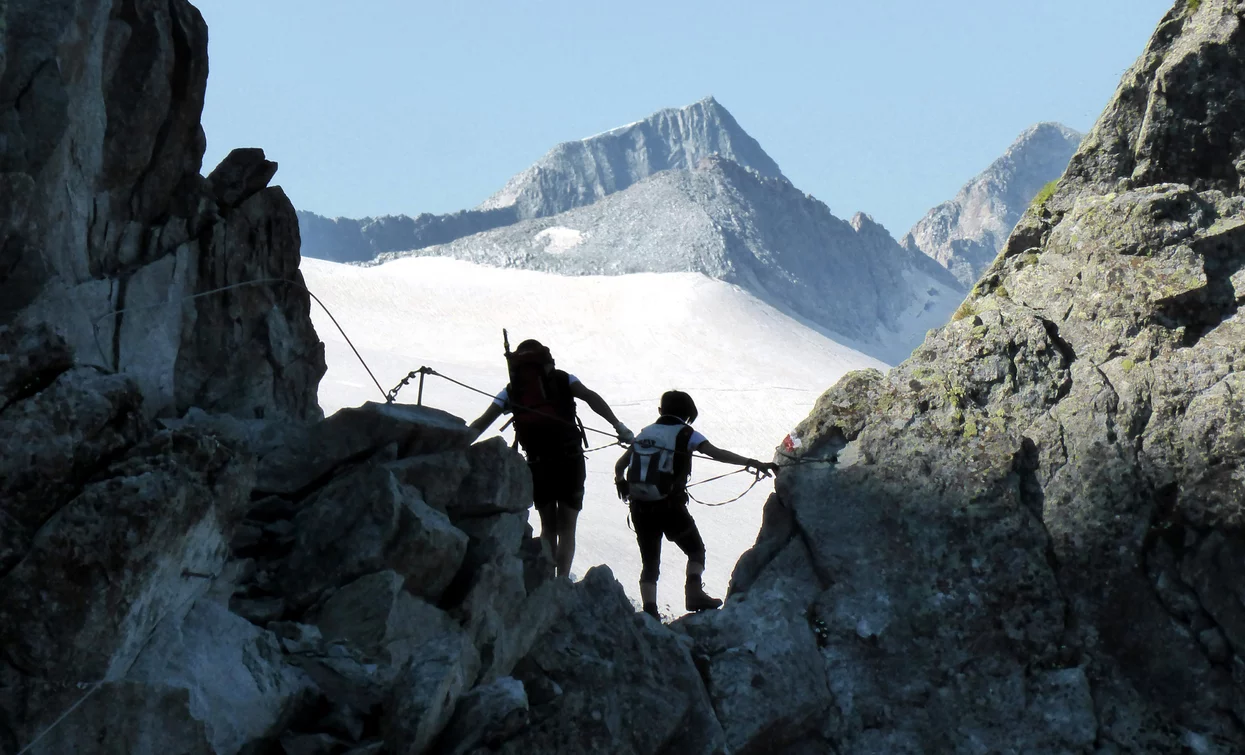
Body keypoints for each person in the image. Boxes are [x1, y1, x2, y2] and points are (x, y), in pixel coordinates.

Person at [467, 338, 633, 578]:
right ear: (547, 360)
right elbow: (590, 397)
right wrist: (619, 426)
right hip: (570, 460)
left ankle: (545, 577)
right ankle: (562, 581)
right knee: (567, 527)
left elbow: (483, 421)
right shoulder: (563, 379)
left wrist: (458, 442)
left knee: (548, 526)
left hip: (537, 463)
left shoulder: (514, 389)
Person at [614, 390, 778, 618]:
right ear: (688, 414)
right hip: (670, 506)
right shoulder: (687, 433)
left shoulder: (645, 434)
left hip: (640, 506)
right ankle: (693, 594)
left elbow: (620, 466)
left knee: (650, 562)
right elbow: (716, 453)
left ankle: (650, 612)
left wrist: (621, 483)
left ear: (661, 411)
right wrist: (751, 462)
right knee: (695, 550)